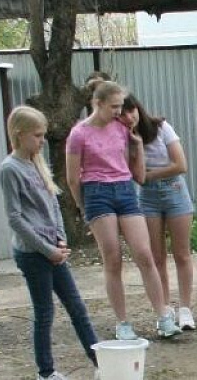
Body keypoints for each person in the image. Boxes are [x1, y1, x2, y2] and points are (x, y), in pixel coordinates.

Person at [0, 106, 100, 380]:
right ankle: (45, 375)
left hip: (53, 251)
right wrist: (46, 249)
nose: (42, 140)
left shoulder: (36, 163)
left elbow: (53, 205)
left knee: (77, 307)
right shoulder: (10, 169)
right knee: (45, 313)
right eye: (38, 135)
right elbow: (15, 218)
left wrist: (60, 240)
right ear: (20, 135)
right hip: (33, 254)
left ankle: (99, 361)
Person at [66, 81, 180, 341]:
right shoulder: (79, 133)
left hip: (124, 189)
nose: (121, 112)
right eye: (114, 107)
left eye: (121, 106)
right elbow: (73, 178)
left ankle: (163, 316)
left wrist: (137, 145)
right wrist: (83, 207)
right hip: (96, 192)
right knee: (113, 257)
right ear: (98, 104)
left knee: (144, 253)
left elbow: (137, 173)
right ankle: (123, 322)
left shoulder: (121, 128)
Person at [121, 94, 197, 331]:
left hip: (174, 189)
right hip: (147, 198)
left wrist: (147, 176)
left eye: (131, 110)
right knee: (156, 257)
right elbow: (130, 171)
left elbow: (180, 165)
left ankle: (185, 308)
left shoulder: (160, 127)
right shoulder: (122, 137)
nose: (128, 116)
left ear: (138, 109)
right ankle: (164, 310)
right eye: (121, 113)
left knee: (182, 253)